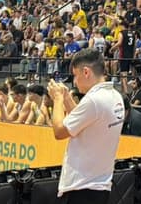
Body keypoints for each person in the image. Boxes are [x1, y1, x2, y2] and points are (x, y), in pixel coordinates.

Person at [48, 48, 125, 203]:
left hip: (81, 187)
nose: (74, 82)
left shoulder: (94, 100)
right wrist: (67, 99)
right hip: (99, 185)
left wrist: (57, 99)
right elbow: (85, 120)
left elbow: (59, 131)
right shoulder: (114, 96)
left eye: (75, 76)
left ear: (86, 72)